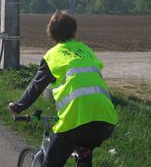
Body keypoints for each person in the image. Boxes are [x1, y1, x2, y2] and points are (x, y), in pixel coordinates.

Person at [8, 10, 117, 167]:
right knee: (84, 154)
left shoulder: (53, 55)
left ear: (51, 33)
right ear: (74, 31)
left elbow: (36, 86)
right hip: (106, 119)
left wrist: (18, 107)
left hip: (75, 120)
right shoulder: (86, 50)